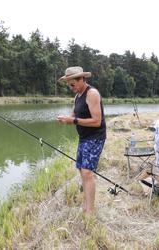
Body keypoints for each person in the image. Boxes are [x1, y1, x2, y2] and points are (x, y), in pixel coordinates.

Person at [57, 66, 106, 215]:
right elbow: (74, 115)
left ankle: (89, 212)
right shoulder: (77, 95)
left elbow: (97, 121)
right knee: (81, 169)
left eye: (72, 84)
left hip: (95, 137)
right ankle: (86, 204)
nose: (70, 87)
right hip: (83, 138)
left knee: (87, 173)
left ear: (81, 79)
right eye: (68, 85)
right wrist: (66, 119)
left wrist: (73, 121)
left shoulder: (92, 94)